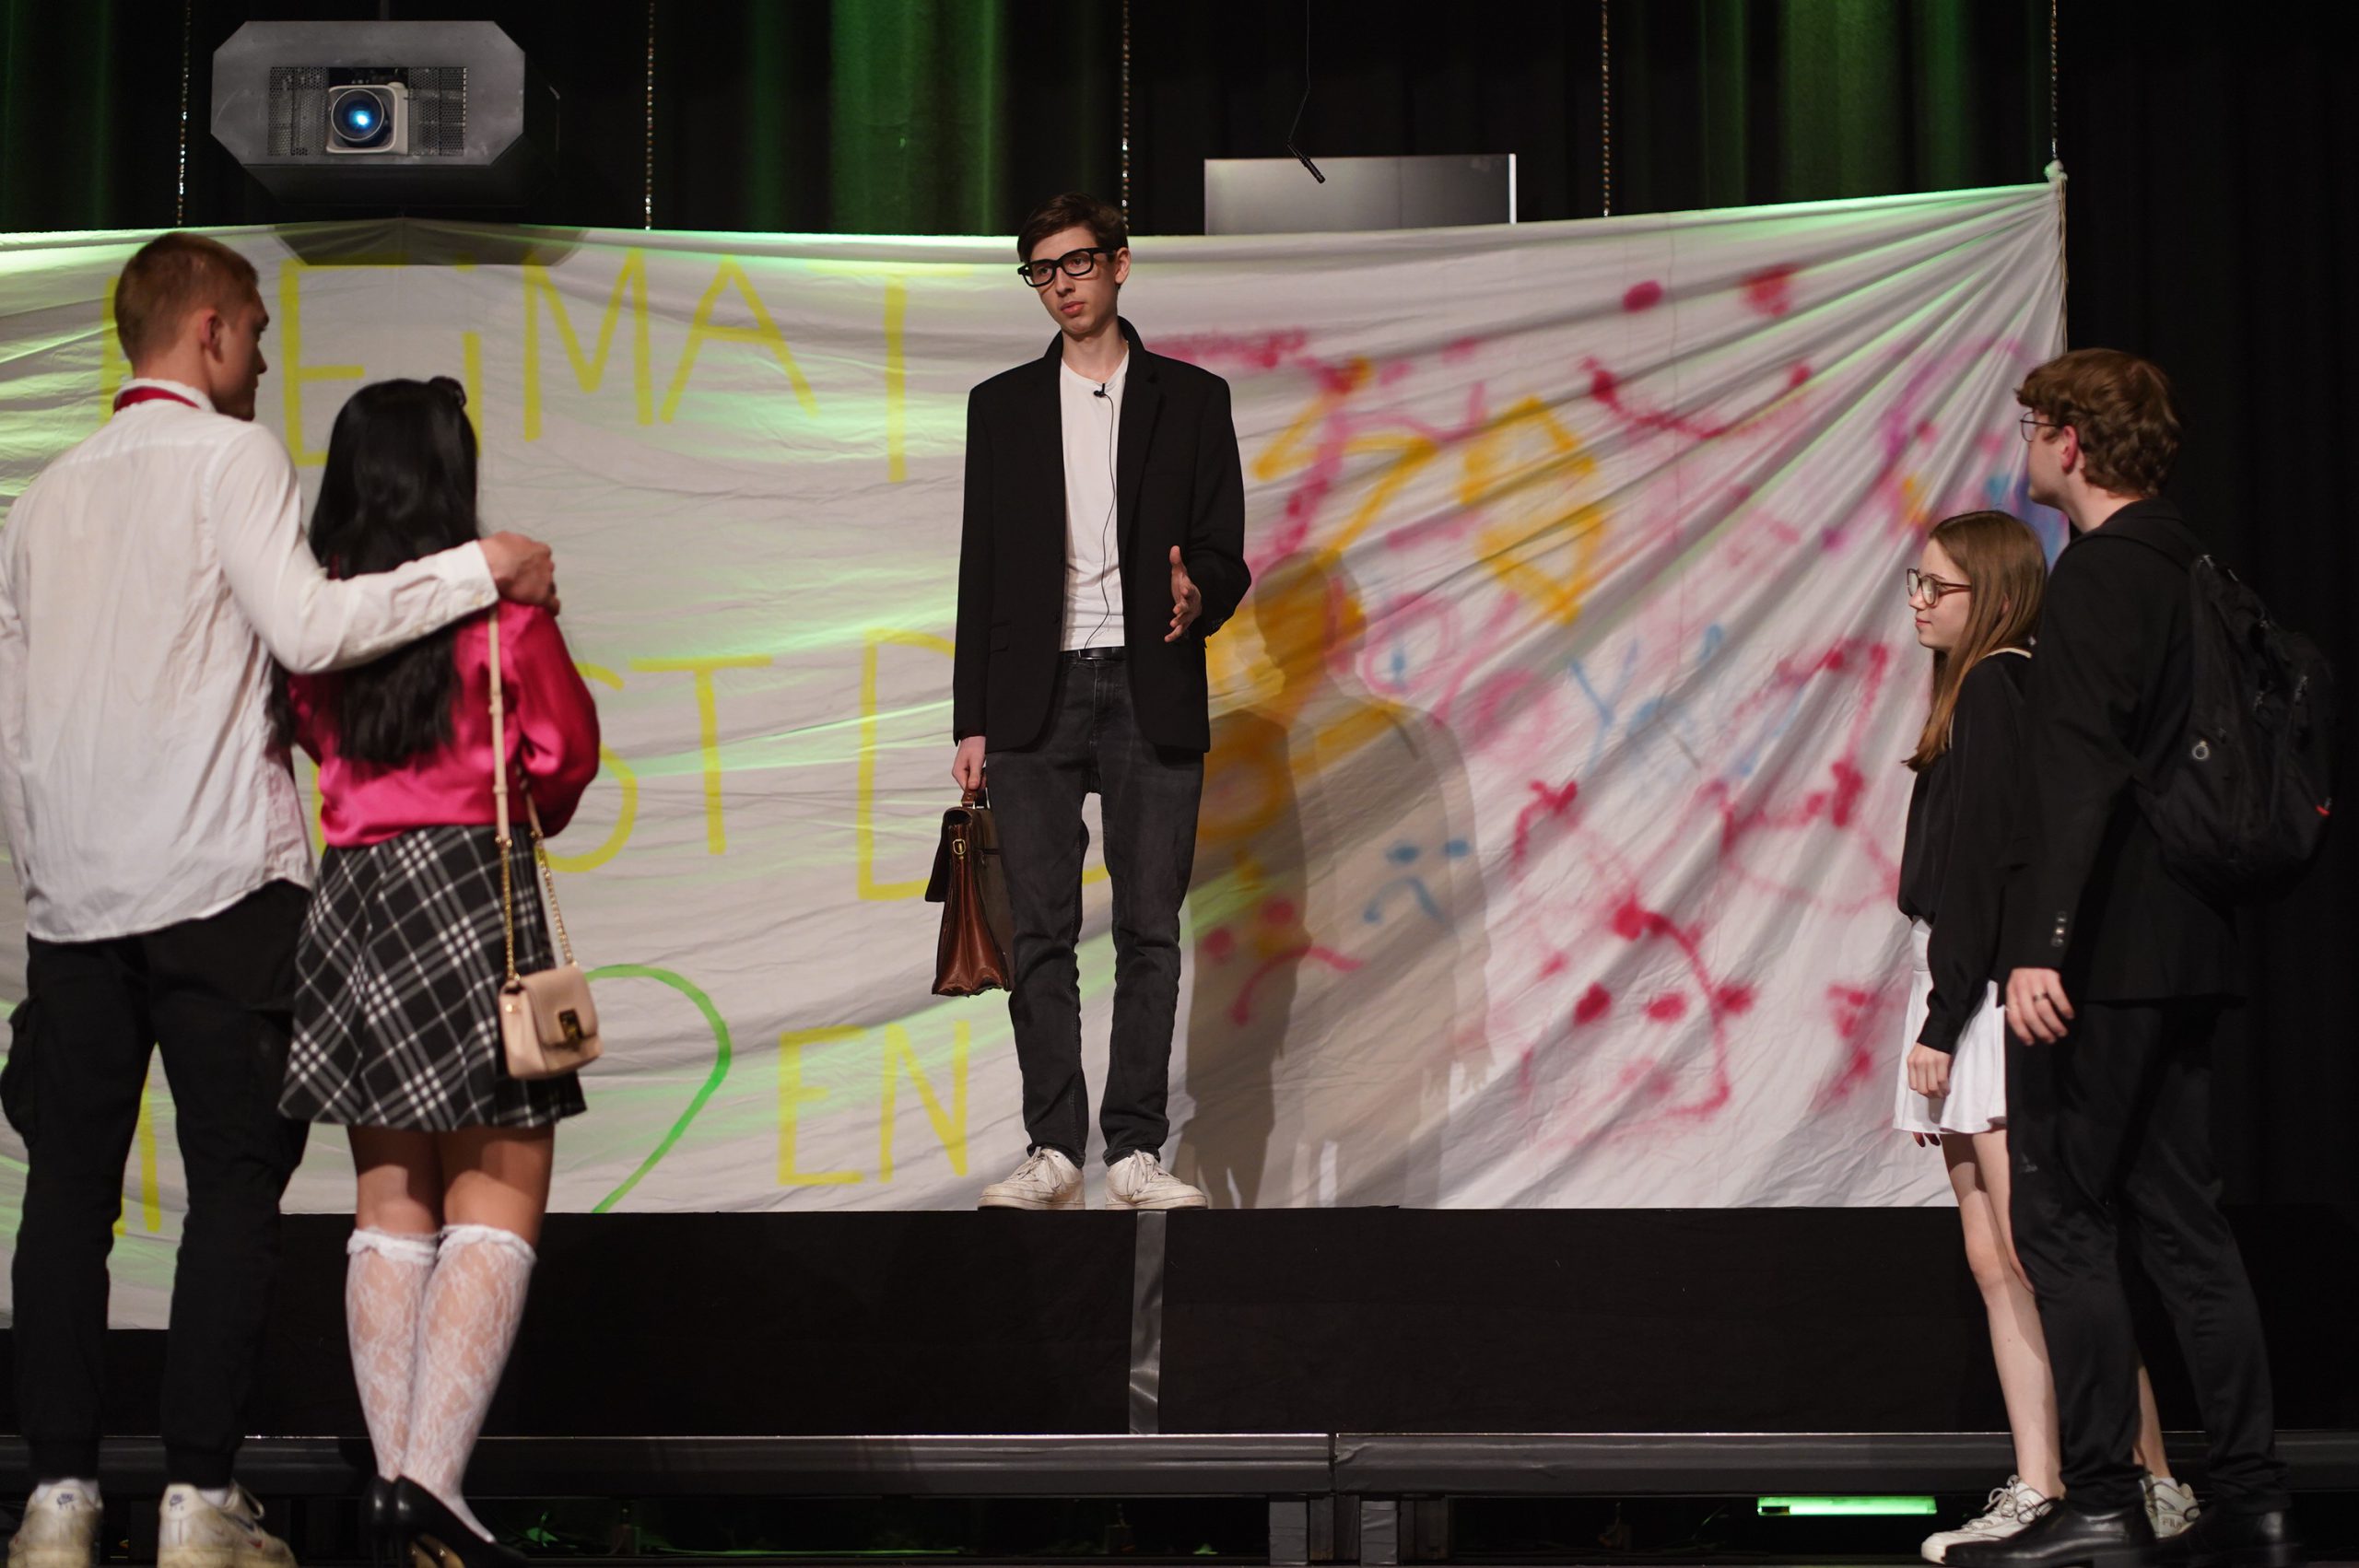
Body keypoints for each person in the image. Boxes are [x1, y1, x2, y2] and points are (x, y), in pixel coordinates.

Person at [0, 233, 557, 1568]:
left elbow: (16, 717)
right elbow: (310, 629)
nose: (260, 357)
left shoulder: (44, 494)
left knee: (64, 1201)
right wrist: (480, 566)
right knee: (232, 1194)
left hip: (71, 902)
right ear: (207, 329)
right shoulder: (233, 457)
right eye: (253, 329)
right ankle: (198, 1498)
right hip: (217, 885)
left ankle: (56, 1497)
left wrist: (41, 874)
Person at [1951, 351, 2300, 1568]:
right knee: (2185, 1225)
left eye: (2034, 429)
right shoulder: (2193, 563)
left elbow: (2077, 771)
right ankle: (2253, 1499)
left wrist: (2039, 945)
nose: (2026, 449)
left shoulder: (2099, 574)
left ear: (2072, 443)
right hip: (2191, 940)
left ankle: (2100, 1498)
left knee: (2058, 1217)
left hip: (2103, 950)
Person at [276, 378, 600, 1568]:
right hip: (473, 896)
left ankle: (398, 1492)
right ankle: (428, 1482)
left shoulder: (321, 626)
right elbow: (565, 757)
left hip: (358, 903)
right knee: (498, 1197)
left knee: (389, 1208)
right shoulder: (504, 623)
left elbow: (306, 733)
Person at [1891, 512, 2194, 1564]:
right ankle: (2053, 1480)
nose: (1919, 602)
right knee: (1999, 1255)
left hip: (1980, 992)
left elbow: (1986, 867)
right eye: (1916, 582)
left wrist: (1942, 1019)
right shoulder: (1978, 691)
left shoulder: (1996, 686)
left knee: (2039, 1251)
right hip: (1958, 979)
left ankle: (2144, 1481)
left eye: (1937, 587)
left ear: (1995, 596)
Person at [951, 192, 1250, 1211]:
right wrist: (971, 720)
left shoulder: (1192, 398)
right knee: (1037, 931)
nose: (1061, 285)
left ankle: (1134, 1148)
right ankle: (1053, 1146)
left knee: (1148, 929)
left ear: (1119, 264)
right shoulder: (1000, 406)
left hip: (1147, 680)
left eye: (1077, 262)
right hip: (1031, 694)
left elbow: (1224, 550)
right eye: (1042, 270)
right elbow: (981, 568)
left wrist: (1197, 593)